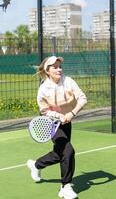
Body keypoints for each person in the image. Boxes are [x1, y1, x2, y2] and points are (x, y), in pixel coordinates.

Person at [26, 56, 87, 199]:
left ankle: (36, 165)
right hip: (51, 124)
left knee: (60, 154)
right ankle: (65, 187)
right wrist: (59, 116)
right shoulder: (43, 90)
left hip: (67, 121)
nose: (59, 69)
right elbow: (45, 111)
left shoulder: (69, 81)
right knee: (69, 151)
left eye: (60, 66)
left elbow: (83, 98)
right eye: (55, 67)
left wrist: (71, 114)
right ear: (47, 71)